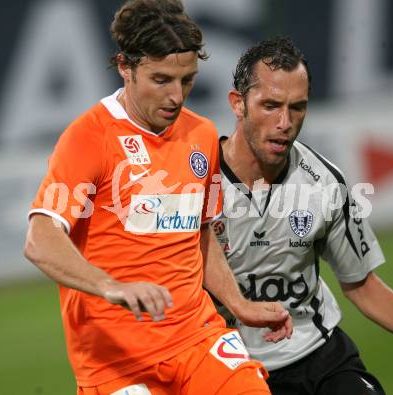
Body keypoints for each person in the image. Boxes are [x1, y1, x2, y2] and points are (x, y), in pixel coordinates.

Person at [23, 2, 293, 394]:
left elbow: (199, 233)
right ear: (125, 66)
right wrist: (112, 285)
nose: (176, 96)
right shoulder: (89, 138)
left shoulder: (200, 135)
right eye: (161, 79)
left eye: (187, 80)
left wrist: (238, 303)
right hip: (116, 362)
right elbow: (40, 240)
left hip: (197, 338)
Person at [214, 37, 393, 395]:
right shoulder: (196, 181)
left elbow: (361, 283)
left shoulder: (323, 181)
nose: (285, 122)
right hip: (232, 369)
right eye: (270, 105)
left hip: (319, 354)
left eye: (297, 107)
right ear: (238, 104)